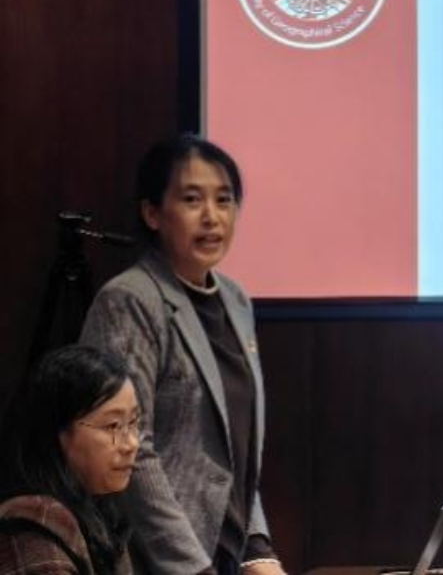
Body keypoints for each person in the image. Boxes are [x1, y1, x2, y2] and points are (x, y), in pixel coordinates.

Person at [81, 136, 285, 575]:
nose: (212, 216)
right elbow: (130, 450)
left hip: (225, 556)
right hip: (150, 561)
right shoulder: (129, 301)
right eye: (192, 199)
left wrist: (258, 549)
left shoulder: (235, 300)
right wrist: (192, 568)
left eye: (224, 199)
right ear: (152, 213)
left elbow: (236, 451)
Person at [0, 344, 138, 575]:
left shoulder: (98, 511)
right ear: (55, 432)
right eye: (113, 425)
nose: (131, 444)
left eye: (133, 422)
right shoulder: (30, 533)